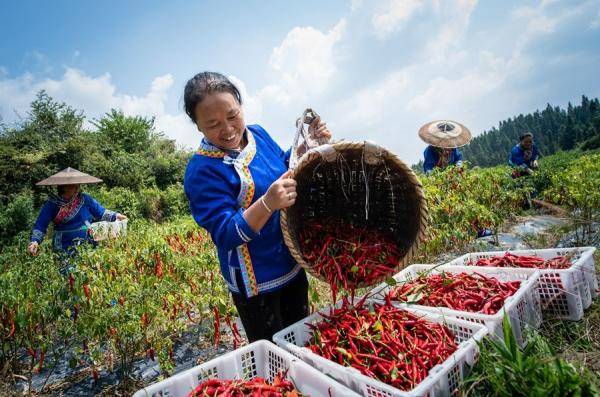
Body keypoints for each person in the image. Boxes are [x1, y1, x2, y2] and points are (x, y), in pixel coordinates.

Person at [182, 72, 331, 342]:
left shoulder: (258, 134)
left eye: (232, 115)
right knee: (275, 356)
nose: (227, 129)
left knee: (304, 341)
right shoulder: (202, 171)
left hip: (290, 263)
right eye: (213, 124)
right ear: (198, 126)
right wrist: (267, 204)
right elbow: (226, 234)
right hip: (257, 285)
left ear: (241, 107)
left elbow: (285, 165)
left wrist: (309, 144)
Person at [28, 168, 127, 259]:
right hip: (64, 246)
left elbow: (101, 212)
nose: (77, 188)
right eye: (73, 186)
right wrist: (35, 241)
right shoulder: (52, 205)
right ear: (63, 187)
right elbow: (41, 224)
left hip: (87, 244)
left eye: (78, 185)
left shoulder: (85, 199)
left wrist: (117, 216)